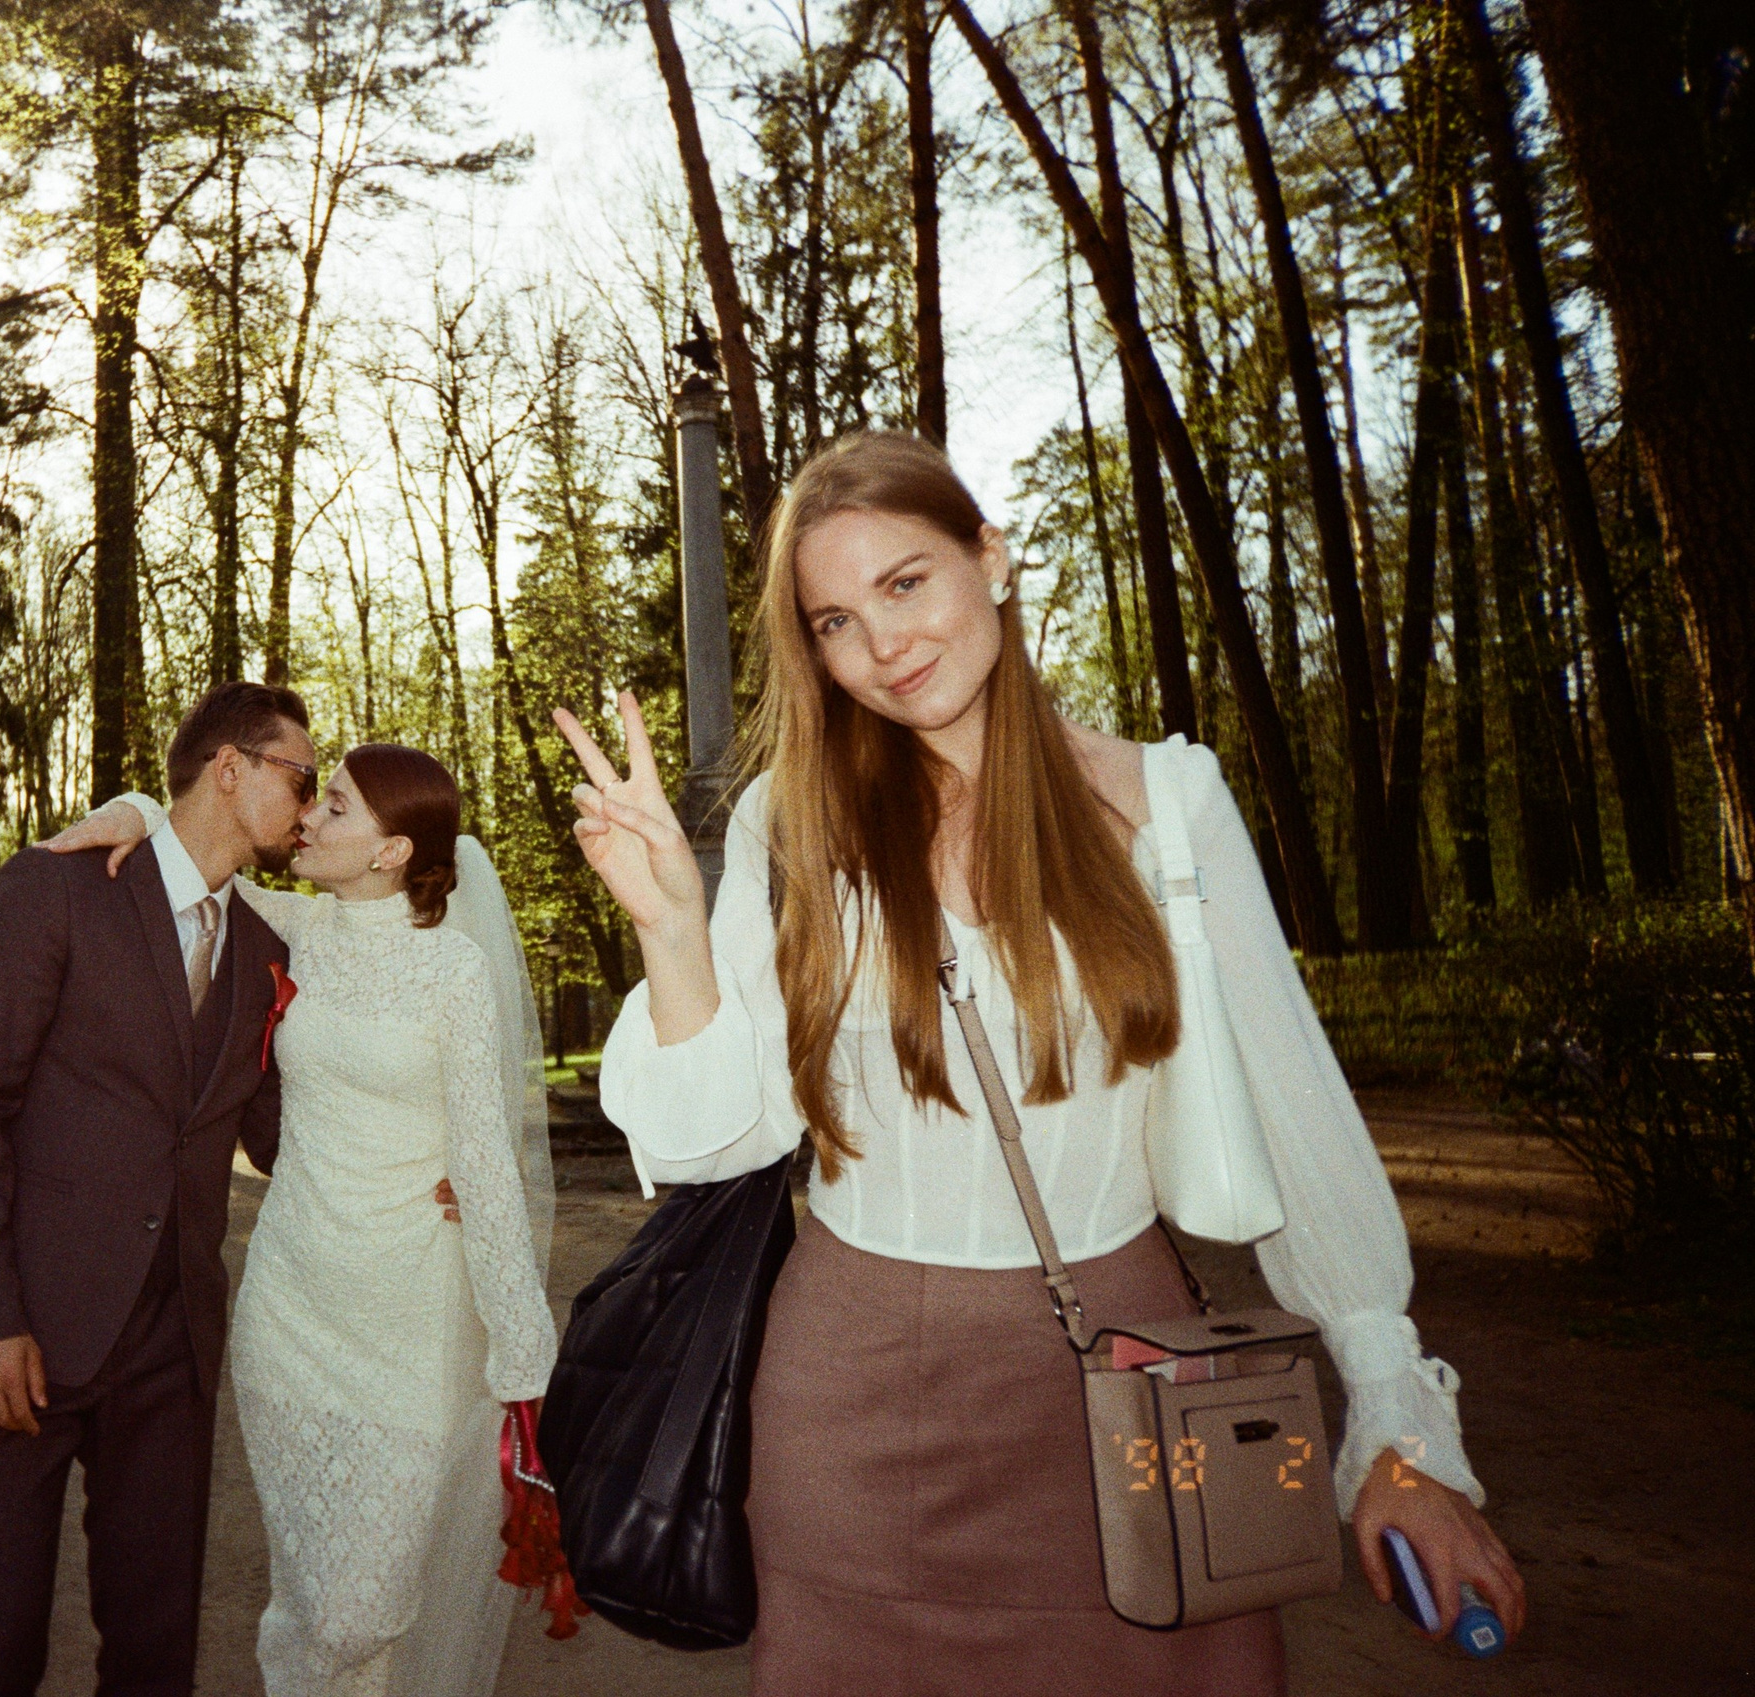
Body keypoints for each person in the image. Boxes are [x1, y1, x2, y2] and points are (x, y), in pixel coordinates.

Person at [551, 431, 1527, 1695]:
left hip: (1126, 1374)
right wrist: (673, 929)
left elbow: (1296, 1110)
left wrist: (1395, 1421)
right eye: (836, 621)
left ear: (991, 558)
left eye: (906, 582)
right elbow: (714, 1139)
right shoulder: (791, 819)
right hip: (850, 1404)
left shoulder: (1165, 799)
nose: (883, 643)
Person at [50, 743, 559, 1697]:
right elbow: (195, 855)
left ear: (391, 851)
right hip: (290, 1314)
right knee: (312, 1594)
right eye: (316, 799)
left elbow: (487, 1167)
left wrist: (525, 1358)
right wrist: (135, 805)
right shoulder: (297, 926)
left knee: (364, 1609)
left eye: (336, 807)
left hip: (407, 1326)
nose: (308, 819)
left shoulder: (454, 973)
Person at [0, 680, 315, 1697]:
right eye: (301, 779)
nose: (310, 805)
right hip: (22, 1335)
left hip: (169, 1352)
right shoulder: (55, 889)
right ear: (231, 768)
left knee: (154, 1656)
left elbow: (281, 1135)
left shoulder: (267, 947)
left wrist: (418, 1165)